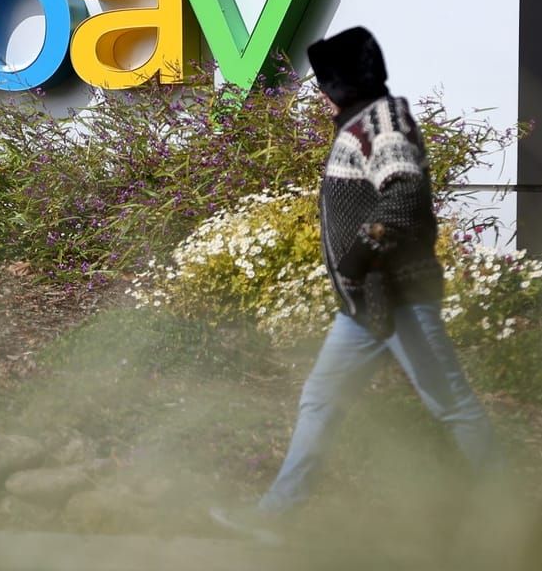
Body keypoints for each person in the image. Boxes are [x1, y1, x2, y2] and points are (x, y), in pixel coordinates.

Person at [210, 27, 497, 544]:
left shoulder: (383, 122)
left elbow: (404, 194)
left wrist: (362, 253)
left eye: (324, 82)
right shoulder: (364, 121)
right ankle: (276, 517)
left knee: (452, 405)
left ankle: (519, 520)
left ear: (341, 84)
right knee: (321, 400)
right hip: (367, 305)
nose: (319, 94)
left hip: (399, 297)